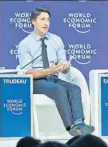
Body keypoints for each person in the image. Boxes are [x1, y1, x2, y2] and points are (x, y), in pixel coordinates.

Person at [17, 7, 94, 136]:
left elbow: (63, 65)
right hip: (36, 81)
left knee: (74, 88)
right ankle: (71, 128)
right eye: (42, 19)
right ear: (33, 21)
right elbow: (27, 73)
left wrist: (65, 67)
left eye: (48, 20)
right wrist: (49, 70)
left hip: (53, 78)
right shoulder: (25, 44)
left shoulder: (56, 40)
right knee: (59, 90)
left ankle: (79, 122)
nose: (46, 23)